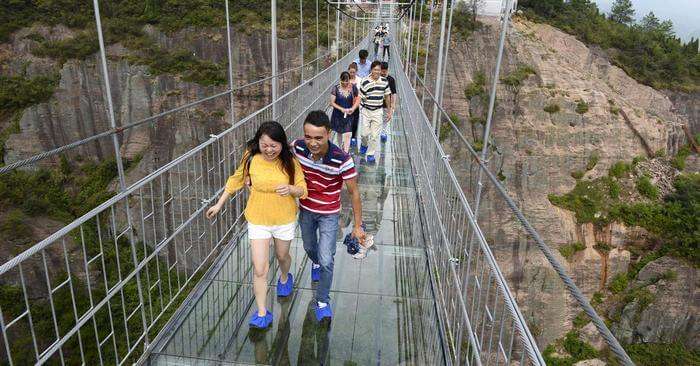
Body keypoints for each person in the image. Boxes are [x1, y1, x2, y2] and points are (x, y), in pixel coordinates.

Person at [206, 121, 307, 329]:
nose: (269, 150)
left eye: (274, 145)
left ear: (282, 143)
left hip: (284, 218)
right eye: (265, 145)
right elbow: (236, 179)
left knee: (282, 256)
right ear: (258, 143)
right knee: (260, 268)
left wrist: (291, 189)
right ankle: (262, 312)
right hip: (257, 218)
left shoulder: (290, 161)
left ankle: (285, 276)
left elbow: (302, 189)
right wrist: (219, 203)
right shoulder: (251, 157)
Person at [293, 111, 366, 321]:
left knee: (327, 258)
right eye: (308, 137)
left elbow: (354, 192)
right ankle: (315, 262)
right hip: (306, 209)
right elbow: (275, 152)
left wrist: (358, 226)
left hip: (328, 214)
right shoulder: (298, 147)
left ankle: (323, 299)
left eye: (318, 137)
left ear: (329, 134)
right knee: (309, 247)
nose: (312, 143)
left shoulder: (342, 159)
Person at [358, 61, 392, 164]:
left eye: (378, 70)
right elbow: (360, 97)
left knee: (374, 136)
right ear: (371, 70)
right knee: (364, 134)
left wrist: (389, 111)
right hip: (366, 110)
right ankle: (364, 144)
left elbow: (387, 96)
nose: (377, 72)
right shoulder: (364, 81)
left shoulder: (384, 81)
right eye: (375, 69)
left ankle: (370, 154)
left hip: (378, 111)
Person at [330, 71, 359, 152]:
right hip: (338, 114)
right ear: (340, 80)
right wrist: (341, 109)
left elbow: (358, 99)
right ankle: (340, 147)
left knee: (348, 134)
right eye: (343, 82)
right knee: (339, 133)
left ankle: (346, 152)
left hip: (349, 114)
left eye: (347, 81)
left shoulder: (353, 88)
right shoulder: (335, 88)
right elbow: (332, 103)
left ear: (350, 80)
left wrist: (353, 108)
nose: (345, 83)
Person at [380, 62, 397, 143]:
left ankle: (383, 132)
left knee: (385, 118)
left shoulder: (391, 79)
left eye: (384, 71)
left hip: (387, 103)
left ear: (387, 70)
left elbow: (394, 92)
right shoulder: (376, 78)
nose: (383, 73)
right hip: (377, 102)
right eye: (381, 71)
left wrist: (393, 103)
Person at [347, 63, 361, 149]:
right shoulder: (345, 79)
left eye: (353, 72)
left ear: (356, 72)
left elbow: (361, 92)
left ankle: (353, 137)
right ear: (348, 71)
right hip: (346, 104)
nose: (352, 74)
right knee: (347, 121)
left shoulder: (360, 80)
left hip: (356, 105)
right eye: (350, 72)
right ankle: (348, 136)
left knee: (355, 121)